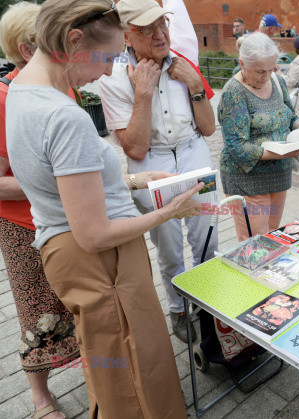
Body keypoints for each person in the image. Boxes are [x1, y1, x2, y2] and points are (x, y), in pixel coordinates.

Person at [6, 0, 202, 416]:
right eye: (109, 56)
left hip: (66, 248)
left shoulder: (22, 90)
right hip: (102, 258)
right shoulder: (64, 116)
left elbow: (55, 178)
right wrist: (169, 212)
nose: (111, 70)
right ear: (74, 40)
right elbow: (93, 233)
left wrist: (128, 180)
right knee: (136, 364)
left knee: (108, 358)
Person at [99, 0, 217, 343]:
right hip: (152, 164)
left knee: (207, 241)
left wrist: (196, 86)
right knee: (168, 249)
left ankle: (209, 306)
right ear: (126, 36)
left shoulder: (185, 65)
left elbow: (208, 129)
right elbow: (134, 148)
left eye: (162, 24)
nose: (160, 34)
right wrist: (143, 94)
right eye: (146, 28)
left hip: (194, 153)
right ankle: (178, 308)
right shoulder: (115, 77)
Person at [0, 4, 80, 418]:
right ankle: (39, 396)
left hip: (70, 218)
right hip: (23, 227)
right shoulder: (3, 97)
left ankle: (97, 372)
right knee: (36, 312)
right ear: (26, 47)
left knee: (76, 301)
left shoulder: (65, 85)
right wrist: (57, 179)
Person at [218, 33, 299, 241]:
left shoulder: (277, 80)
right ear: (242, 64)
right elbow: (237, 148)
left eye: (271, 69)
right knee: (255, 244)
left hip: (278, 176)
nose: (266, 76)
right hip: (248, 180)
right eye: (259, 71)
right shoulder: (234, 93)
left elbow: (289, 115)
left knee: (272, 238)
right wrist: (280, 153)